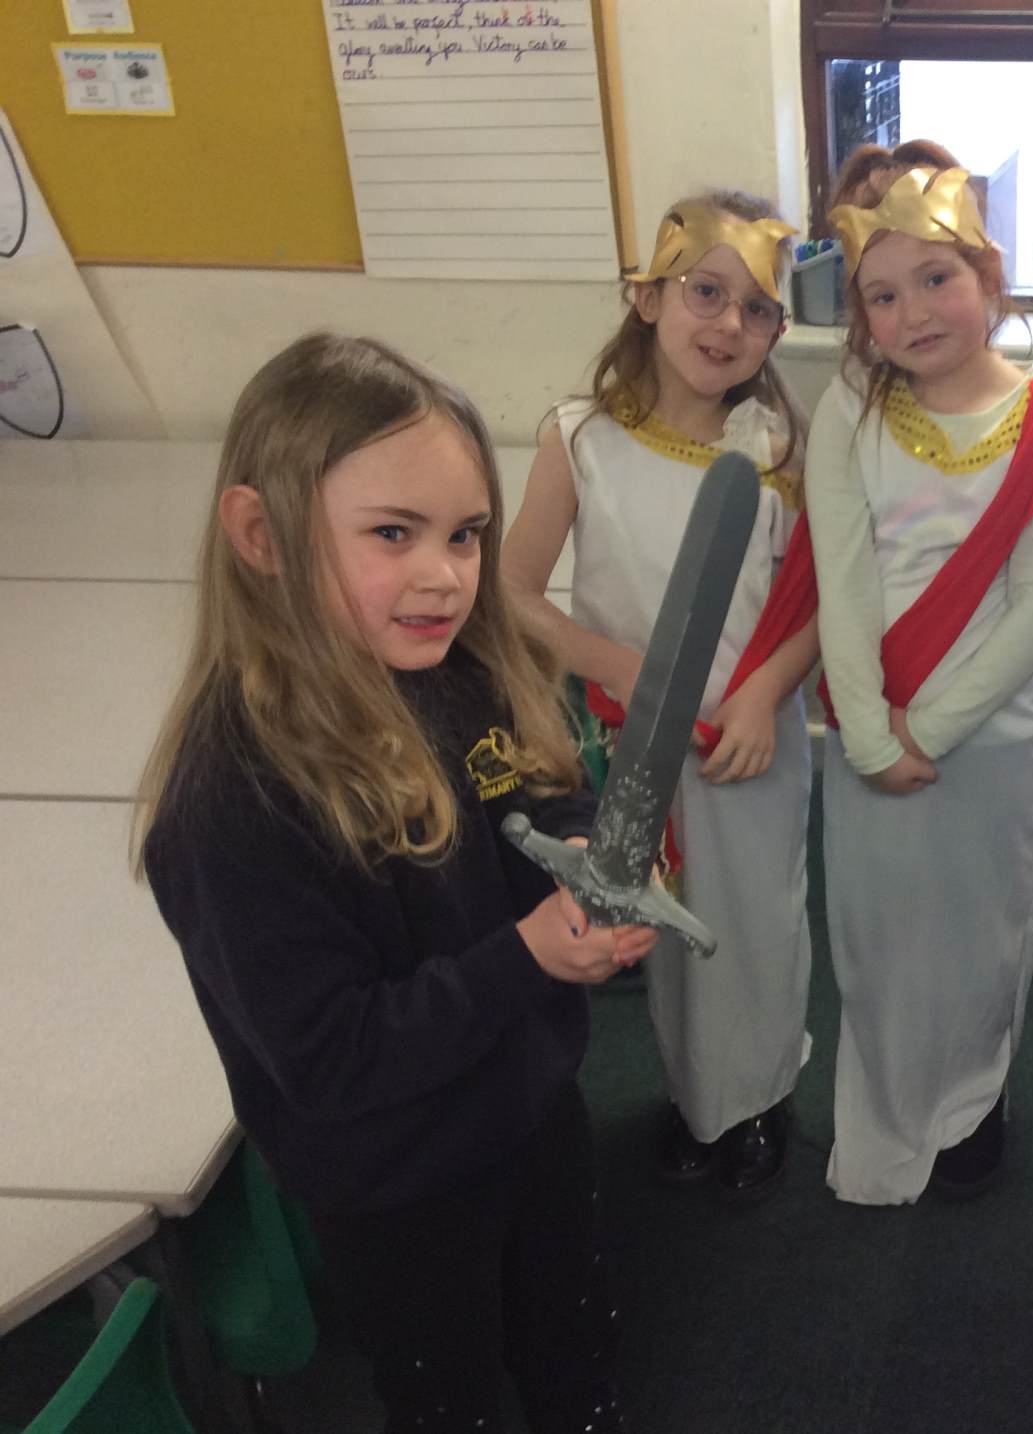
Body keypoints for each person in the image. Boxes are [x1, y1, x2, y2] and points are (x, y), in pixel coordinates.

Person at [138, 332, 653, 1433]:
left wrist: (588, 861)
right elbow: (335, 1059)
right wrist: (529, 958)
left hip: (531, 1107)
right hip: (399, 1180)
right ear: (260, 535)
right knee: (447, 1388)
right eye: (392, 533)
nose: (445, 575)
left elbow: (537, 793)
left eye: (466, 535)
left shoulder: (460, 670)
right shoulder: (231, 805)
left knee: (573, 1334)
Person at [502, 191, 819, 1204]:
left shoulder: (777, 451)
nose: (728, 324)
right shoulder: (580, 438)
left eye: (757, 308)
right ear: (648, 298)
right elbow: (511, 594)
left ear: (776, 331)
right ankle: (696, 1099)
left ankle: (760, 1097)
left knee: (756, 924)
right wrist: (617, 664)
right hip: (637, 747)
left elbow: (819, 604)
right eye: (705, 293)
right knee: (663, 934)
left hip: (746, 742)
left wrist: (765, 695)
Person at [807, 141, 1033, 1205]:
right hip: (867, 725)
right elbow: (842, 579)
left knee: (982, 931)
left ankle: (973, 1102)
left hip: (991, 734)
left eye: (936, 278)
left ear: (989, 275)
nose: (914, 313)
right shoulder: (850, 405)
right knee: (879, 936)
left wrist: (926, 732)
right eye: (882, 296)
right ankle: (891, 1114)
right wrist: (870, 734)